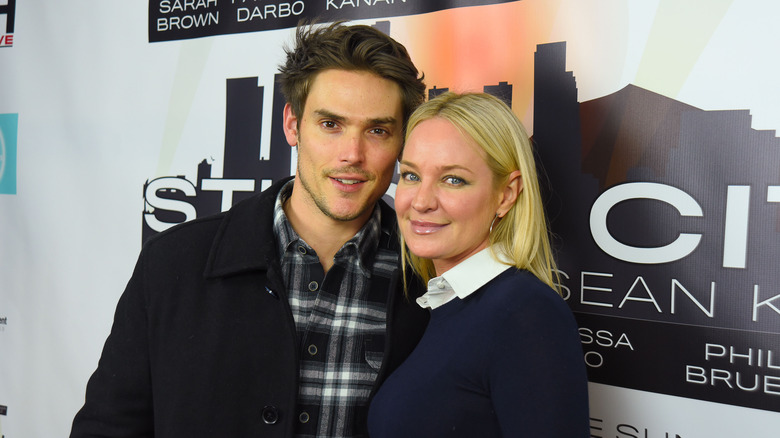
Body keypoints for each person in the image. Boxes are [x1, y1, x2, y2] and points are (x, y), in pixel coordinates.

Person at [70, 22, 428, 438]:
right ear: (293, 125)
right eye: (331, 125)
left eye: (377, 130)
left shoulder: (430, 276)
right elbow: (108, 427)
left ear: (402, 141)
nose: (352, 154)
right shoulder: (172, 263)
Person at [367, 92, 590, 437]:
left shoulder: (525, 314)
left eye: (453, 179)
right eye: (411, 175)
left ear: (506, 194)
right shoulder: (442, 302)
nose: (421, 202)